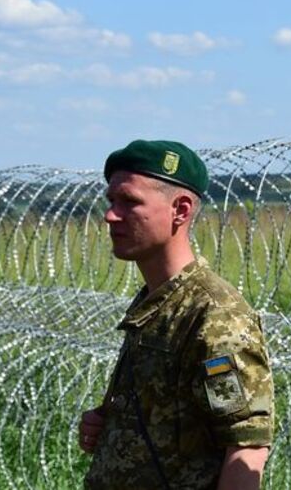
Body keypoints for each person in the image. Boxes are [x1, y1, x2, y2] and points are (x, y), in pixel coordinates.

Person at [79, 139, 274, 490]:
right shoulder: (157, 303)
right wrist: (111, 426)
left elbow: (245, 446)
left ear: (180, 211)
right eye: (111, 201)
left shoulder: (214, 315)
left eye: (129, 202)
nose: (110, 215)